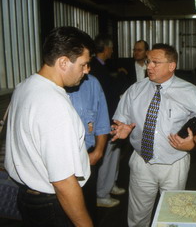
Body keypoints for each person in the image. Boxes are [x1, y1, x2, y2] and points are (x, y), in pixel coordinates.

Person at [110, 43, 196, 227]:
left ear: (171, 66)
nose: (149, 66)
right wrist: (122, 129)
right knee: (137, 216)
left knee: (172, 215)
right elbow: (120, 119)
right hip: (142, 162)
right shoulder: (135, 90)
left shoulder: (190, 92)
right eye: (148, 61)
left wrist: (193, 144)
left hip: (174, 163)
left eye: (155, 62)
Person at [5, 26, 94, 226]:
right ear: (63, 62)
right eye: (84, 64)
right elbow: (63, 182)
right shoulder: (53, 105)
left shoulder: (25, 86)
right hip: (52, 204)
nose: (87, 71)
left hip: (28, 196)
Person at [66, 72, 110, 224]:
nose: (87, 70)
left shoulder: (91, 83)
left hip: (87, 157)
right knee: (66, 212)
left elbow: (102, 120)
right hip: (61, 161)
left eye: (88, 64)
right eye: (82, 64)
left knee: (88, 208)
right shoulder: (47, 89)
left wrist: (98, 151)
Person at [90, 34, 125, 208]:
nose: (112, 51)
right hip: (104, 119)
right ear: (105, 48)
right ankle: (101, 193)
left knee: (114, 154)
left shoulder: (105, 66)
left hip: (113, 117)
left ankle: (110, 185)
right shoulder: (94, 67)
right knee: (106, 155)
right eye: (110, 47)